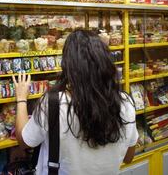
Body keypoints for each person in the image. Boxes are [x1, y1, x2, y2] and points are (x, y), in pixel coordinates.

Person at [12, 29, 138, 175]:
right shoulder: (125, 103)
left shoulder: (54, 103)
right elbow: (129, 157)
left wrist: (21, 98)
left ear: (68, 66)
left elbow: (25, 141)